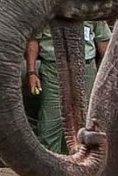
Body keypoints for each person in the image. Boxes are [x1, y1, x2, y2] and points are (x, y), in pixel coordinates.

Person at [25, 21, 111, 153]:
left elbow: (104, 43)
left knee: (86, 119)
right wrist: (31, 72)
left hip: (86, 68)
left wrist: (102, 76)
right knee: (51, 121)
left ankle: (82, 162)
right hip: (53, 69)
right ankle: (50, 163)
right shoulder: (48, 8)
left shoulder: (91, 5)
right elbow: (34, 40)